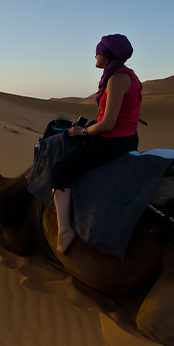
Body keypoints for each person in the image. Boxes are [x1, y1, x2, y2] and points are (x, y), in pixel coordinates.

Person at [52, 34, 142, 254]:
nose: (95, 54)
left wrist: (82, 131)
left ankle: (65, 230)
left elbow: (108, 125)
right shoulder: (125, 75)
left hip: (112, 141)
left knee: (59, 171)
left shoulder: (118, 79)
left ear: (108, 54)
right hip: (125, 136)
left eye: (98, 50)